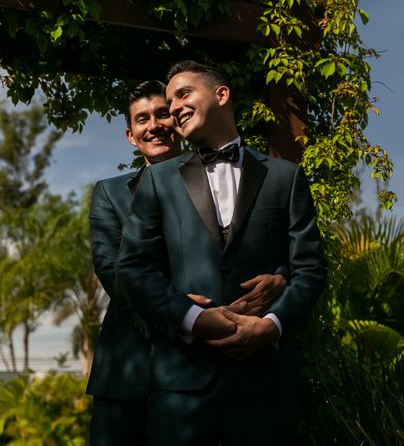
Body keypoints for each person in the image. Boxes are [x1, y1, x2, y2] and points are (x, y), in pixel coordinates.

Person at [115, 60, 327, 445]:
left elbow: (310, 268)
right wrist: (193, 318)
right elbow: (132, 269)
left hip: (265, 388)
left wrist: (271, 325)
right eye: (169, 100)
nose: (174, 107)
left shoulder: (285, 177)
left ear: (221, 94)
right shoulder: (157, 181)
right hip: (182, 389)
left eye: (183, 94)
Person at [88, 80, 288, 445]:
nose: (155, 125)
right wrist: (181, 312)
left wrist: (281, 277)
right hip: (131, 367)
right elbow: (112, 269)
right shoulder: (109, 193)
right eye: (142, 119)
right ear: (131, 135)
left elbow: (255, 246)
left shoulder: (228, 181)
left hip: (209, 370)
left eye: (162, 114)